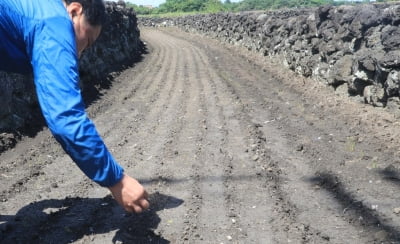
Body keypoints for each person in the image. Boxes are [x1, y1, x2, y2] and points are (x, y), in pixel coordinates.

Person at [0, 0, 149, 213]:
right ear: (75, 10)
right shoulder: (55, 22)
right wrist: (117, 181)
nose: (79, 53)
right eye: (86, 41)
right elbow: (65, 117)